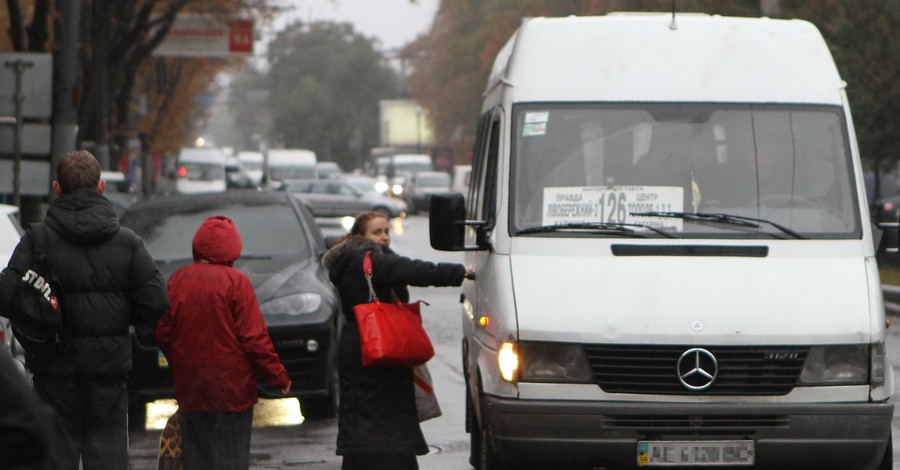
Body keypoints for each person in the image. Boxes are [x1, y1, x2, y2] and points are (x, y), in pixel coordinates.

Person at [0, 150, 170, 469]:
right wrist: (117, 313)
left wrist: (41, 313)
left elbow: (6, 294)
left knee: (57, 456)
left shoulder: (37, 241)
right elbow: (156, 301)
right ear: (101, 187)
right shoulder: (128, 243)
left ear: (57, 188)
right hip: (109, 375)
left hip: (54, 373)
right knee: (108, 455)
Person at [322, 211, 472, 470]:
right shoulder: (371, 260)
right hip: (379, 344)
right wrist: (461, 272)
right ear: (361, 236)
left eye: (386, 232)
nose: (384, 237)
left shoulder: (348, 260)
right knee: (390, 415)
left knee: (360, 414)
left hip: (355, 344)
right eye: (376, 232)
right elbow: (417, 270)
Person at [157, 215, 291, 470]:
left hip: (192, 390)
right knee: (231, 458)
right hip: (233, 390)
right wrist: (278, 376)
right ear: (234, 248)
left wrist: (183, 364)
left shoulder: (178, 279)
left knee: (197, 459)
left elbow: (164, 333)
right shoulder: (236, 282)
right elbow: (254, 339)